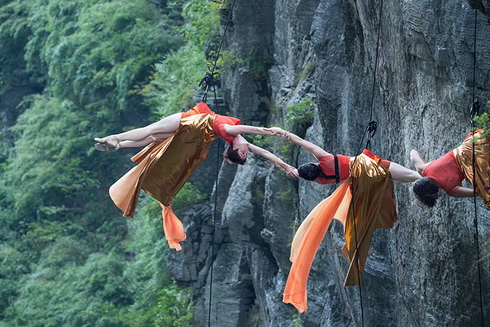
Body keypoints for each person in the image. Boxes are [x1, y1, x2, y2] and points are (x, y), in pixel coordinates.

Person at [94, 102, 297, 250]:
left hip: (191, 127)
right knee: (152, 132)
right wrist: (275, 133)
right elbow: (258, 136)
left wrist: (284, 163)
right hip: (190, 123)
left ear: (234, 148)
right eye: (245, 152)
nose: (247, 151)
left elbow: (263, 150)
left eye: (244, 153)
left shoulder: (232, 134)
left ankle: (117, 143)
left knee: (153, 136)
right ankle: (114, 139)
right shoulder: (232, 132)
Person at [272, 128, 421, 313]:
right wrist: (284, 135)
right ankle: (428, 176)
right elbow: (303, 142)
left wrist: (291, 170)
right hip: (368, 166)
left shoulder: (321, 180)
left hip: (365, 181)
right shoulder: (325, 159)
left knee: (397, 178)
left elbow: (304, 173)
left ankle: (425, 176)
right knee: (410, 175)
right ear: (312, 162)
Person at [410, 130, 490, 229]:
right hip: (467, 149)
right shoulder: (422, 169)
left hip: (476, 168)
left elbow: (477, 193)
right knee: (482, 146)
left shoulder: (451, 190)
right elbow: (413, 153)